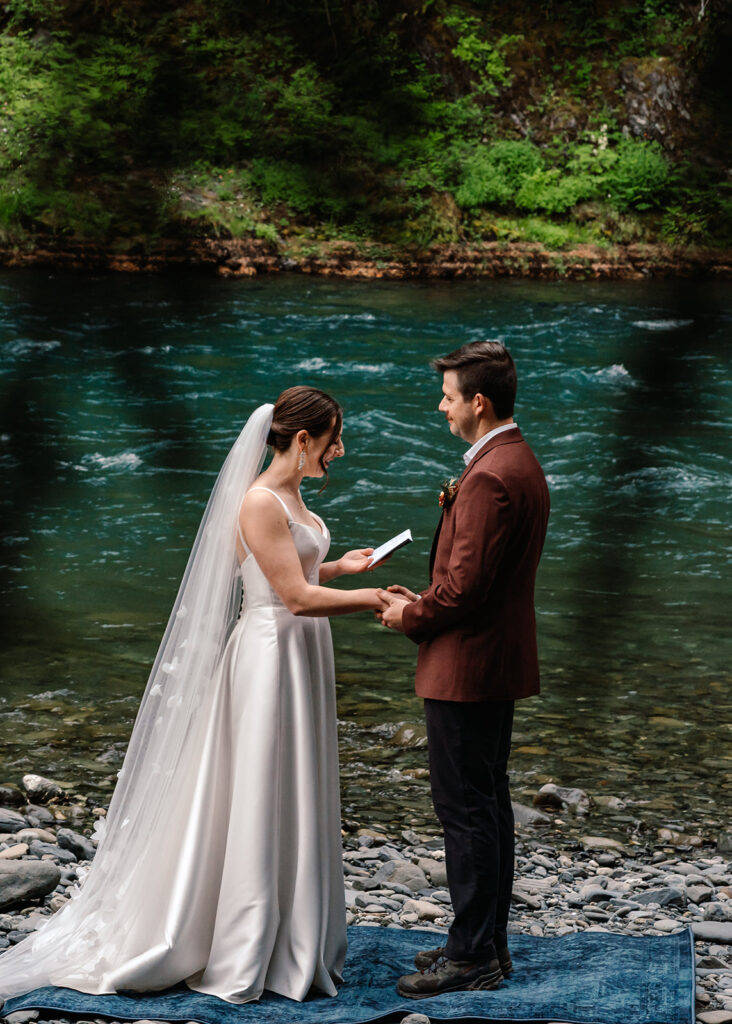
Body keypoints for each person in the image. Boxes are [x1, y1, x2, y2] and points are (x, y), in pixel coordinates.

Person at [0, 386, 386, 1005]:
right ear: (304, 439)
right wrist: (376, 600)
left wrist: (340, 569)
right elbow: (292, 597)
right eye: (334, 438)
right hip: (270, 654)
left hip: (300, 652)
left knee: (292, 781)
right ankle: (245, 936)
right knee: (259, 785)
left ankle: (291, 927)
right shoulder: (259, 500)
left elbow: (295, 573)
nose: (340, 450)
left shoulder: (291, 496)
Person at [378, 341, 550, 999]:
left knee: (466, 811)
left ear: (479, 403)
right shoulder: (517, 460)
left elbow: (462, 591)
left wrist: (408, 616)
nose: (442, 407)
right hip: (492, 661)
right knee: (486, 805)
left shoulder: (489, 477)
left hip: (468, 668)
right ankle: (483, 945)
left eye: (449, 397)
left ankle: (474, 956)